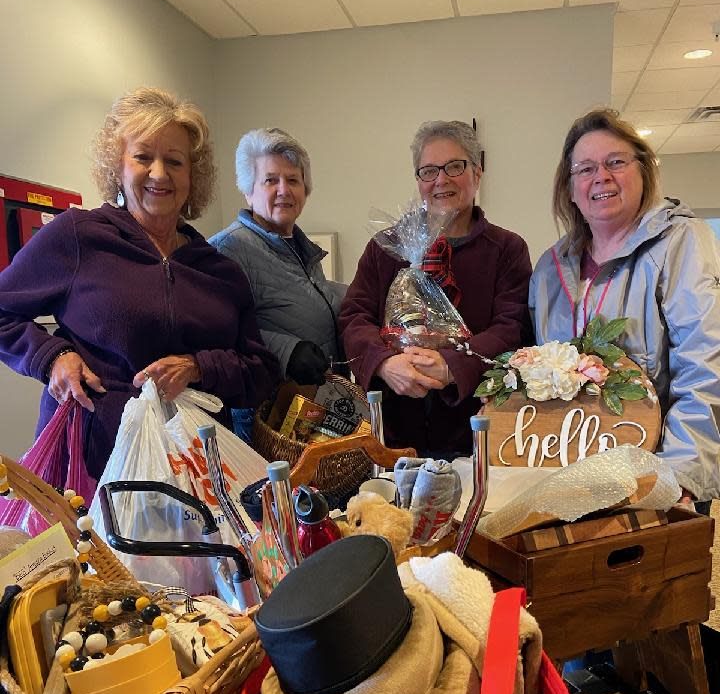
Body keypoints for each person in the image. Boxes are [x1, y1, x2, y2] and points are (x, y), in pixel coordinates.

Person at [0, 87, 278, 480]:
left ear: (192, 175)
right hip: (93, 473)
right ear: (118, 165)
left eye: (175, 161)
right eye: (143, 157)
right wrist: (52, 357)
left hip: (193, 475)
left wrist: (198, 366)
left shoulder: (221, 272)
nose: (159, 174)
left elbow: (260, 372)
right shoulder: (79, 236)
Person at [531, 107, 720, 506]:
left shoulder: (681, 242)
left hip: (655, 473)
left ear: (643, 171)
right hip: (572, 472)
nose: (601, 176)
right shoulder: (550, 267)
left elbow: (706, 365)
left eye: (615, 162)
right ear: (569, 187)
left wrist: (678, 476)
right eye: (585, 169)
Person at [339, 119, 533, 456]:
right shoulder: (386, 247)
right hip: (394, 434)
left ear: (477, 172)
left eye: (454, 167)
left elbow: (512, 328)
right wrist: (384, 363)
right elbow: (354, 316)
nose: (441, 180)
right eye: (428, 171)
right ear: (418, 180)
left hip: (477, 430)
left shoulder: (506, 249)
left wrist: (453, 366)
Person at [210, 128, 346, 387]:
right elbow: (218, 334)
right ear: (249, 192)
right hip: (269, 413)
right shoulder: (227, 249)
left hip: (314, 405)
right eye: (271, 180)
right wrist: (287, 352)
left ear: (305, 192)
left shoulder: (298, 245)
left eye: (293, 180)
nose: (284, 190)